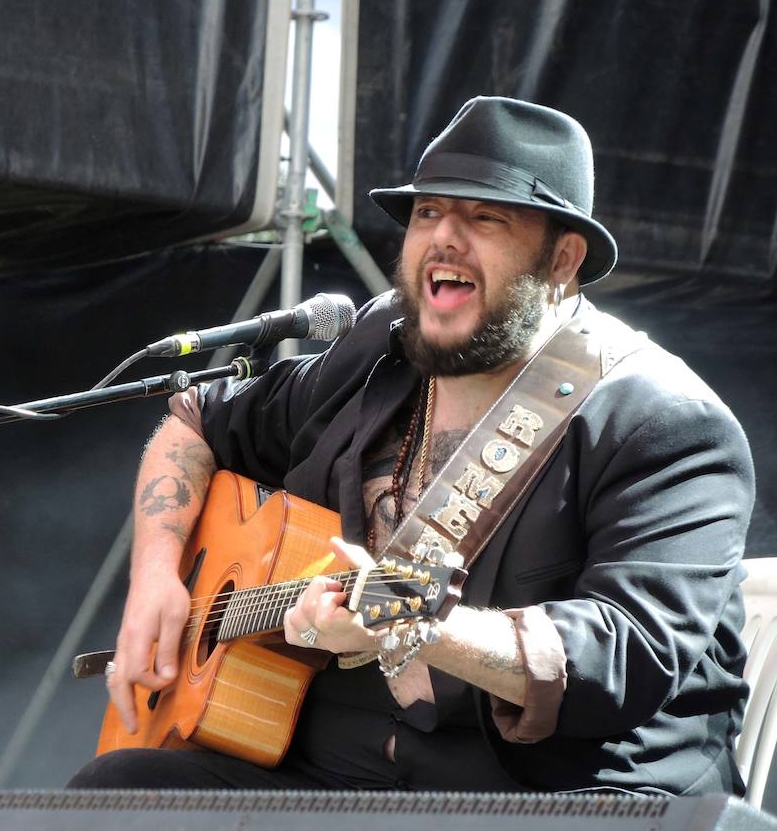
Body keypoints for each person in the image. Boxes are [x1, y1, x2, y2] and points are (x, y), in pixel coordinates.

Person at [70, 96, 754, 795]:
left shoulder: (665, 423)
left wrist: (411, 625)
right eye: (428, 213)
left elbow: (623, 654)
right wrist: (155, 575)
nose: (444, 238)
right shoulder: (378, 349)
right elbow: (194, 420)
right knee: (116, 792)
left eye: (486, 217)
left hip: (560, 802)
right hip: (345, 781)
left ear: (563, 259)